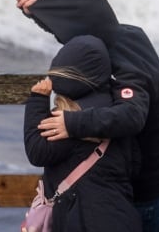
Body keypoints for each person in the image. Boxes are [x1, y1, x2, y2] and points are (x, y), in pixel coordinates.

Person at [16, 0, 159, 232]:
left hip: (157, 188)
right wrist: (41, 12)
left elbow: (132, 115)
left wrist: (71, 123)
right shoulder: (124, 33)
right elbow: (81, 28)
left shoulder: (125, 62)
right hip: (139, 180)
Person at [24, 34, 141, 232]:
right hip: (121, 215)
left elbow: (37, 151)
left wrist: (37, 101)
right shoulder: (119, 111)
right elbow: (136, 163)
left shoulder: (69, 119)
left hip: (83, 220)